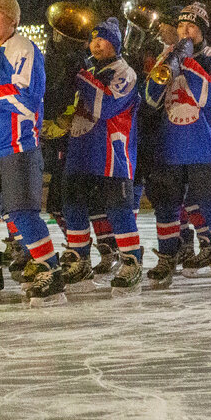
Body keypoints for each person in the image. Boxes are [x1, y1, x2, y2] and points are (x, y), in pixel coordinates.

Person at [0, 0, 63, 305]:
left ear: (13, 20)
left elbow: (27, 96)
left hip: (16, 144)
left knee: (22, 212)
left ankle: (50, 271)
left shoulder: (23, 48)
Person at [143, 2, 211, 293]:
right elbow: (150, 100)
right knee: (166, 205)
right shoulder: (167, 57)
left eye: (192, 27)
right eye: (181, 27)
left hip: (208, 146)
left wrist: (186, 62)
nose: (185, 32)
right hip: (172, 146)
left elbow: (208, 96)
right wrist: (166, 65)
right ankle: (167, 257)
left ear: (202, 31)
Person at [60, 17, 144, 294]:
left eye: (103, 39)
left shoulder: (125, 72)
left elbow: (106, 104)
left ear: (115, 44)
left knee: (118, 210)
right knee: (73, 206)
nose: (96, 44)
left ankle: (131, 260)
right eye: (93, 39)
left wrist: (81, 76)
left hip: (112, 153)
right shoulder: (88, 69)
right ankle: (79, 258)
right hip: (80, 150)